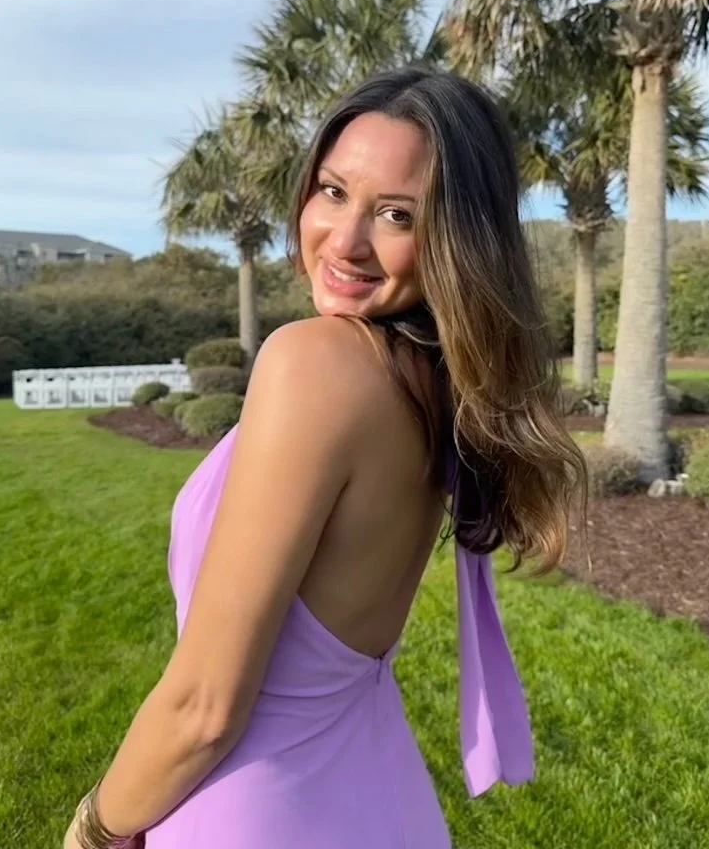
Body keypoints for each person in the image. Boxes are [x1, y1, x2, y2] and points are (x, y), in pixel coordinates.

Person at [65, 67, 587, 849]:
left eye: (397, 214)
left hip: (255, 813)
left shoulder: (314, 363)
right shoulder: (435, 385)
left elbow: (204, 708)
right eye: (334, 192)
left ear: (457, 240)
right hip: (386, 803)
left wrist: (95, 825)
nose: (344, 242)